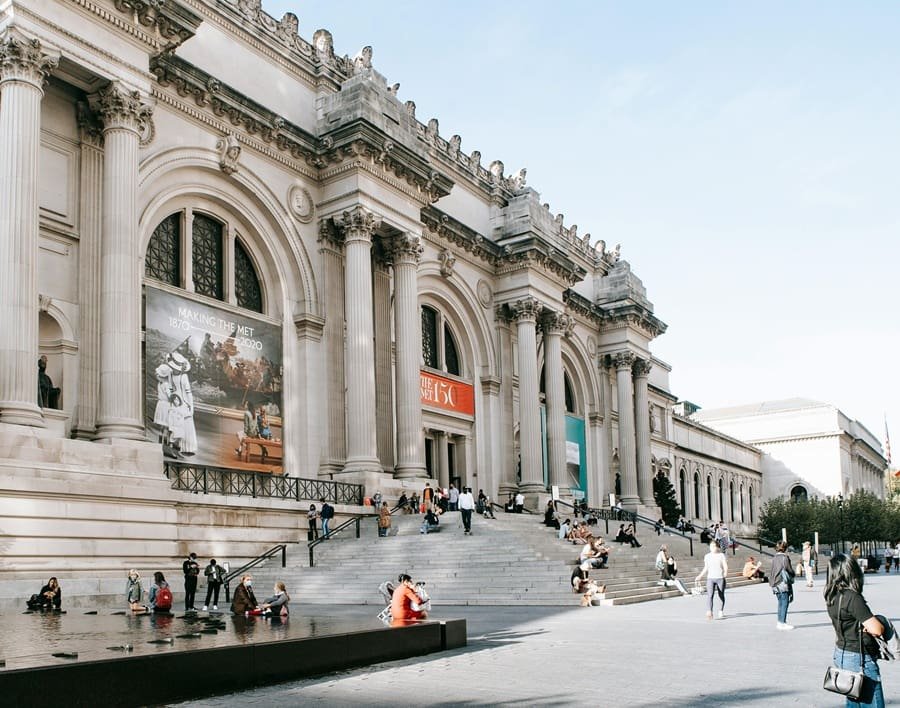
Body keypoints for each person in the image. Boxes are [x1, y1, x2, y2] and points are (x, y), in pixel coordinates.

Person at [826, 554, 885, 708]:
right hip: (859, 657)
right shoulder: (852, 598)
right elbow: (877, 629)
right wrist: (881, 622)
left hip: (842, 652)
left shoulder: (831, 595)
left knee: (854, 699)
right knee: (873, 702)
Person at [696, 541, 728, 620]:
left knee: (721, 595)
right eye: (711, 546)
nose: (712, 548)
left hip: (720, 578)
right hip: (710, 578)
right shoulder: (707, 556)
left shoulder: (721, 555)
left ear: (717, 547)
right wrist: (700, 576)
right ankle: (709, 611)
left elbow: (725, 565)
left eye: (714, 546)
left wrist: (725, 572)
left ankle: (720, 610)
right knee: (710, 595)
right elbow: (706, 567)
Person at [770, 540, 796, 630]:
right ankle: (782, 623)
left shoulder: (774, 558)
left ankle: (780, 622)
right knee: (785, 602)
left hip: (774, 582)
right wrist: (793, 574)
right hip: (782, 582)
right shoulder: (785, 557)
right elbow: (789, 569)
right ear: (785, 548)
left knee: (780, 602)